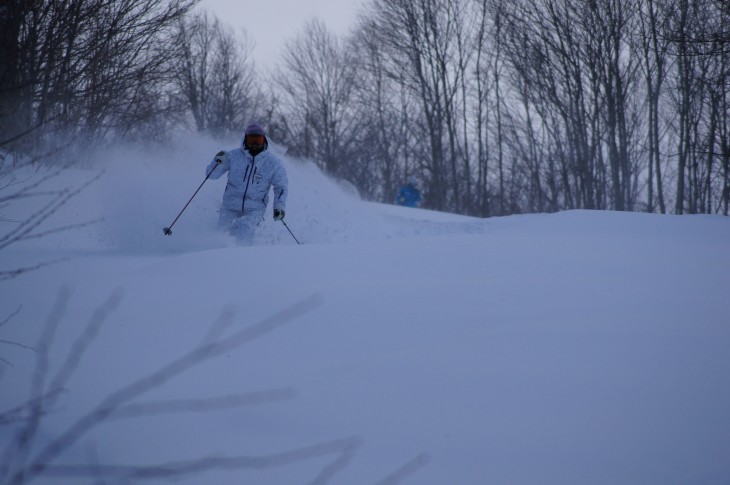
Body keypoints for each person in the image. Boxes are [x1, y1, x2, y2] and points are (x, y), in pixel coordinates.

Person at [206, 123, 288, 244]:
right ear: (245, 139)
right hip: (230, 207)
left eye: (258, 140)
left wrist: (279, 207)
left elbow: (281, 187)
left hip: (254, 209)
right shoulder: (233, 156)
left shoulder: (273, 163)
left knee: (244, 231)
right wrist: (216, 162)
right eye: (251, 139)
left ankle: (243, 259)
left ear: (264, 140)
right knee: (220, 234)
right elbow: (211, 175)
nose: (255, 143)